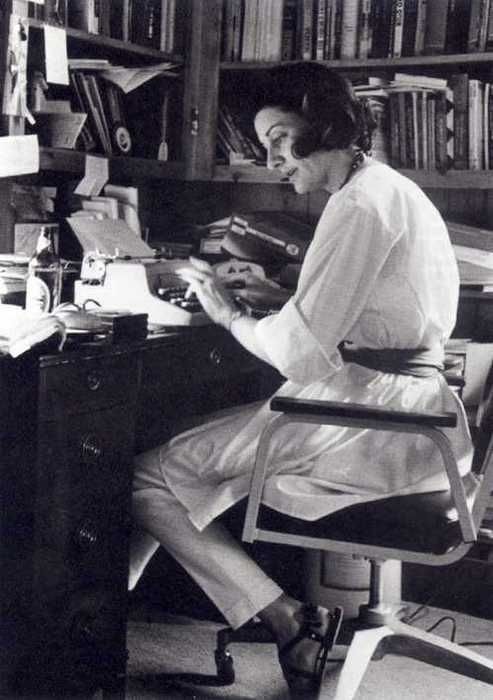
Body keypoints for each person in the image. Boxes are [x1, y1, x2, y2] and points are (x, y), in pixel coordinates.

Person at [129, 62, 472, 693]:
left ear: (326, 126)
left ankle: (288, 619)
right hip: (411, 415)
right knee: (189, 454)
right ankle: (108, 620)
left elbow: (301, 357)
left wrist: (229, 312)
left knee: (151, 474)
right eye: (266, 145)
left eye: (282, 137)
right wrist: (280, 290)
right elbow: (377, 306)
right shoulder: (385, 187)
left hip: (369, 423)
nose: (275, 159)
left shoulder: (357, 206)